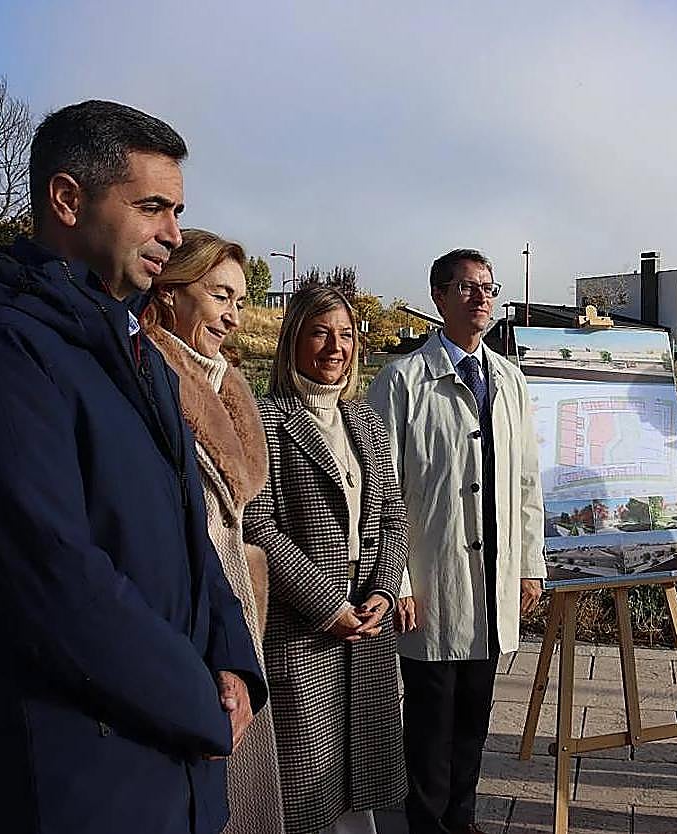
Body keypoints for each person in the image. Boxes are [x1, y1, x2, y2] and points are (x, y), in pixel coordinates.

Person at [0, 100, 266, 834]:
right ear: (68, 199)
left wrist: (233, 660)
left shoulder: (131, 344)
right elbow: (47, 573)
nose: (173, 234)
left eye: (177, 211)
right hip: (78, 770)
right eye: (151, 207)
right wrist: (193, 698)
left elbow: (186, 530)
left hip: (175, 755)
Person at [367, 248, 546, 834]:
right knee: (429, 715)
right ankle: (427, 821)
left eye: (488, 288)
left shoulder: (510, 379)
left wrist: (529, 565)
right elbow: (381, 488)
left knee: (475, 713)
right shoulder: (401, 381)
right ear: (439, 298)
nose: (481, 298)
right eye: (467, 288)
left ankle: (463, 818)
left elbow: (526, 481)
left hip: (494, 579)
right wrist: (394, 583)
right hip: (431, 579)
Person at [243, 286, 408, 834]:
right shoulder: (266, 420)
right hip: (305, 634)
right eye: (320, 332)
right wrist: (325, 604)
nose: (335, 347)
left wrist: (385, 591)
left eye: (344, 333)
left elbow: (392, 517)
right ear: (293, 340)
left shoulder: (367, 422)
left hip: (367, 632)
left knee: (360, 796)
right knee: (306, 795)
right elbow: (257, 524)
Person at [143, 229, 285, 834]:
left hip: (235, 606)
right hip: (187, 607)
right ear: (173, 292)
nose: (233, 316)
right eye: (219, 295)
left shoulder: (228, 384)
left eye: (240, 299)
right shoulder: (149, 374)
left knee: (243, 785)